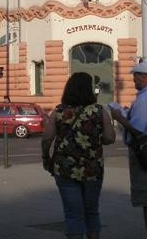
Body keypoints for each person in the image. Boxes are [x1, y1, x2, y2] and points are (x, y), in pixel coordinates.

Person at [42, 72, 116, 239]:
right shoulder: (99, 111)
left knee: (73, 214)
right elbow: (110, 138)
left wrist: (45, 157)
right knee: (91, 212)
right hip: (92, 169)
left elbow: (47, 138)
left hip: (65, 169)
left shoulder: (59, 111)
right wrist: (95, 140)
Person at [108, 58, 147, 239]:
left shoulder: (145, 98)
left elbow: (138, 128)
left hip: (144, 154)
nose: (133, 80)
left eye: (135, 76)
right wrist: (129, 113)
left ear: (143, 76)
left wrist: (118, 117)